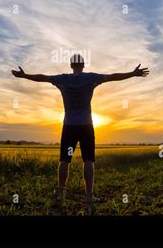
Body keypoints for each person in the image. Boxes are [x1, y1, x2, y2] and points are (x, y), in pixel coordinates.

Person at [11, 54, 149, 211]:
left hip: (69, 126)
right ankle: (89, 197)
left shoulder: (62, 79)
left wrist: (24, 76)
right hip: (86, 127)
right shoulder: (90, 78)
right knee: (88, 161)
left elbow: (42, 77)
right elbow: (113, 77)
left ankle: (60, 195)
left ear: (71, 66)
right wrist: (132, 73)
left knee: (64, 160)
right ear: (83, 65)